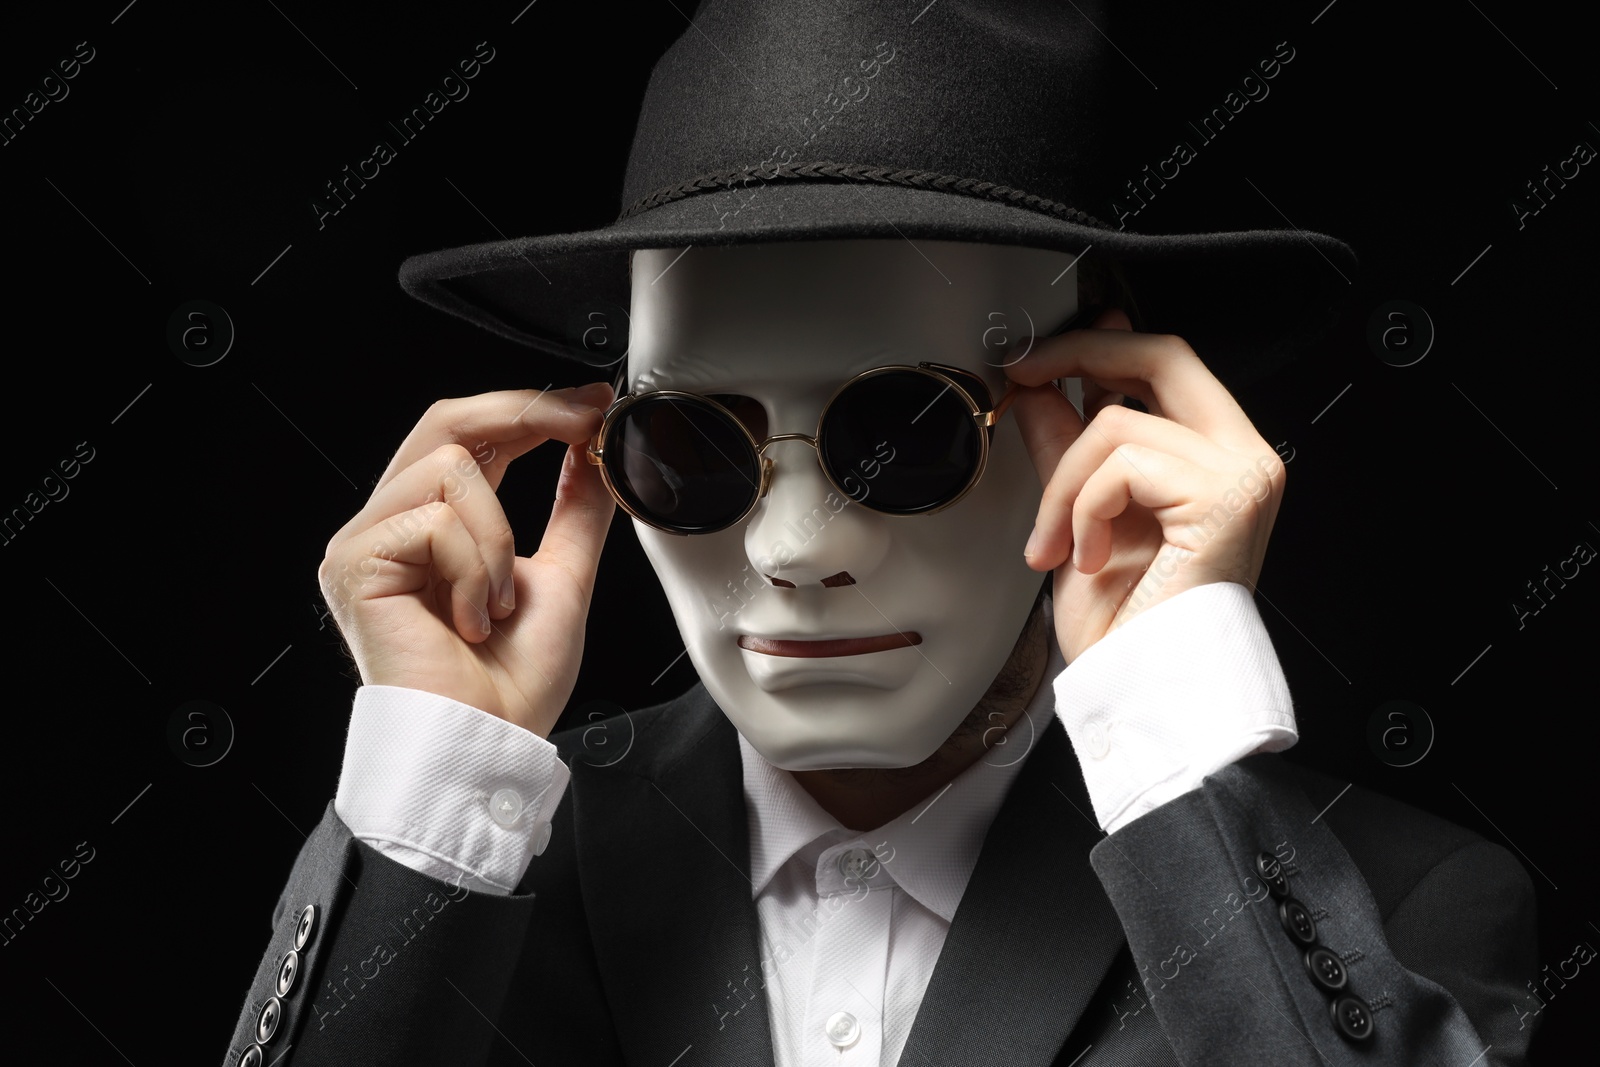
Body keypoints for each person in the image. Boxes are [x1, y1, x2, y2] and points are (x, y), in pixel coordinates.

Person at [224, 3, 1538, 1065]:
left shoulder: (1403, 911)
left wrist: (1179, 740)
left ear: (1089, 420)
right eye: (692, 448)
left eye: (900, 437)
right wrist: (427, 794)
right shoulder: (467, 889)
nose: (797, 548)